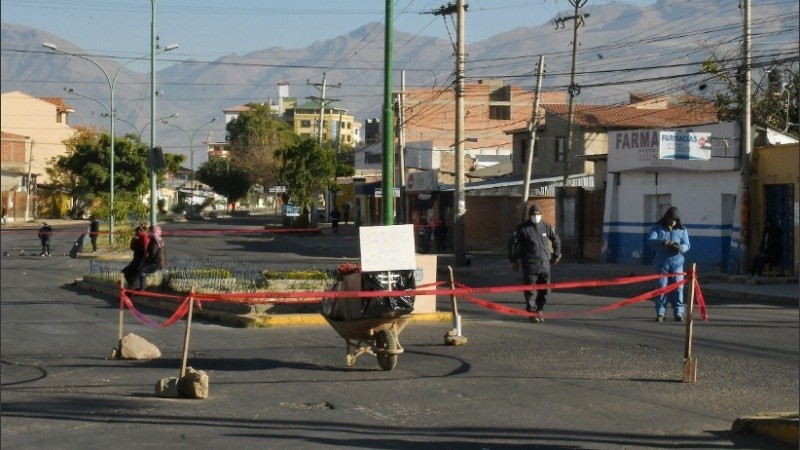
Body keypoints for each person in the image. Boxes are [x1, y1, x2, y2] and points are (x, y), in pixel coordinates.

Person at [508, 204, 561, 322]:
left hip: (545, 264)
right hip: (530, 264)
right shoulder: (522, 228)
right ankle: (532, 312)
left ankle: (539, 309)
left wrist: (556, 255)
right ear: (529, 215)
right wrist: (513, 260)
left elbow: (556, 239)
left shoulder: (546, 226)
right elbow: (512, 244)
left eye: (538, 214)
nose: (536, 216)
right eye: (533, 214)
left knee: (546, 290)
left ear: (541, 214)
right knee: (530, 290)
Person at [647, 206, 690, 322]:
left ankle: (679, 313)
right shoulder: (657, 228)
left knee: (678, 288)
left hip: (677, 264)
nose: (672, 222)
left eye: (675, 220)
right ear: (666, 218)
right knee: (661, 288)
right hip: (661, 264)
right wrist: (663, 242)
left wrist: (681, 247)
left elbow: (687, 245)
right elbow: (650, 241)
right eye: (670, 219)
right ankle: (661, 313)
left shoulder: (682, 230)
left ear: (678, 220)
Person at [138, 225, 166, 290]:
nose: (148, 232)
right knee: (143, 270)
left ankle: (142, 289)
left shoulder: (154, 240)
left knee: (142, 272)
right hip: (160, 261)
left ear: (153, 231)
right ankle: (143, 287)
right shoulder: (160, 239)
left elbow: (152, 253)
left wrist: (147, 261)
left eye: (150, 231)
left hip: (156, 262)